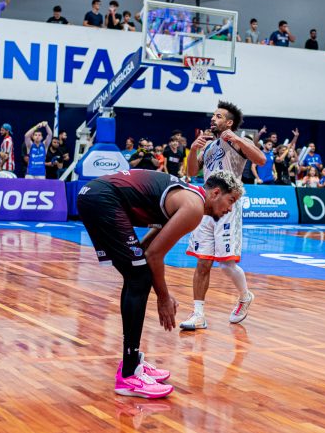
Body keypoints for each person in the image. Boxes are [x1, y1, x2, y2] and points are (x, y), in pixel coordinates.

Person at [77, 169, 243, 398]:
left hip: (95, 195)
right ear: (215, 193)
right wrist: (163, 298)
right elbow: (154, 255)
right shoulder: (194, 208)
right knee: (139, 277)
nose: (230, 209)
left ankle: (132, 361)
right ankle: (128, 375)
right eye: (231, 200)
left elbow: (146, 250)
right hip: (102, 198)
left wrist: (160, 291)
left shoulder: (187, 197)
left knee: (137, 274)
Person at [181, 101, 266, 330]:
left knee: (227, 265)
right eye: (213, 115)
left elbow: (261, 160)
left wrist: (237, 138)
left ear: (229, 123)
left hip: (227, 205)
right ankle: (198, 314)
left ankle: (245, 296)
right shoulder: (209, 145)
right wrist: (193, 150)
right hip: (206, 205)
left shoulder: (238, 141)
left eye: (218, 116)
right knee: (202, 262)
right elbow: (191, 172)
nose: (213, 118)